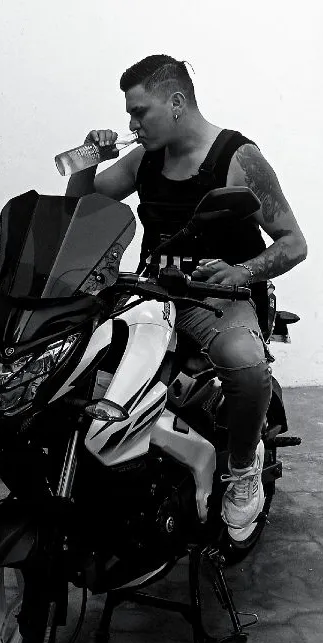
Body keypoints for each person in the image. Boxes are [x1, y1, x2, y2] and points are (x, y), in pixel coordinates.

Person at [65, 54, 307, 538]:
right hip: (151, 295)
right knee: (76, 361)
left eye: (139, 112)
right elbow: (80, 202)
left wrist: (241, 271)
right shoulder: (145, 158)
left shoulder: (238, 159)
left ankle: (242, 471)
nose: (131, 123)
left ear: (176, 103)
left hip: (217, 297)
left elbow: (293, 243)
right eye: (129, 113)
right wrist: (91, 155)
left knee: (244, 361)